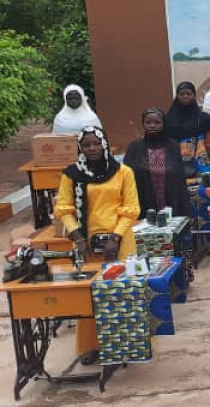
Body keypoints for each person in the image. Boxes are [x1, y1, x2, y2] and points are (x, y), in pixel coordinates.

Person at [55, 127, 140, 363]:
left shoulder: (123, 172)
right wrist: (77, 237)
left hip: (120, 242)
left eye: (95, 143)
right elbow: (64, 209)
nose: (92, 148)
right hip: (87, 245)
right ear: (80, 148)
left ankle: (126, 344)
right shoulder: (72, 174)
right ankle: (91, 346)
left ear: (104, 144)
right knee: (89, 295)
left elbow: (131, 209)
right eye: (86, 145)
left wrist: (116, 237)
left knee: (120, 292)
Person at [124, 108, 192, 218]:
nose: (152, 126)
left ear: (163, 124)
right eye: (148, 122)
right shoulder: (134, 148)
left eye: (157, 122)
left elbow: (179, 179)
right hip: (144, 204)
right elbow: (127, 178)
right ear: (143, 124)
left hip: (171, 203)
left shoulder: (173, 146)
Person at [164, 81, 210, 178]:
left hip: (202, 165)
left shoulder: (204, 118)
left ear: (194, 96)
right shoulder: (169, 120)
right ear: (177, 96)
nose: (185, 96)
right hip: (179, 166)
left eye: (188, 94)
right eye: (182, 94)